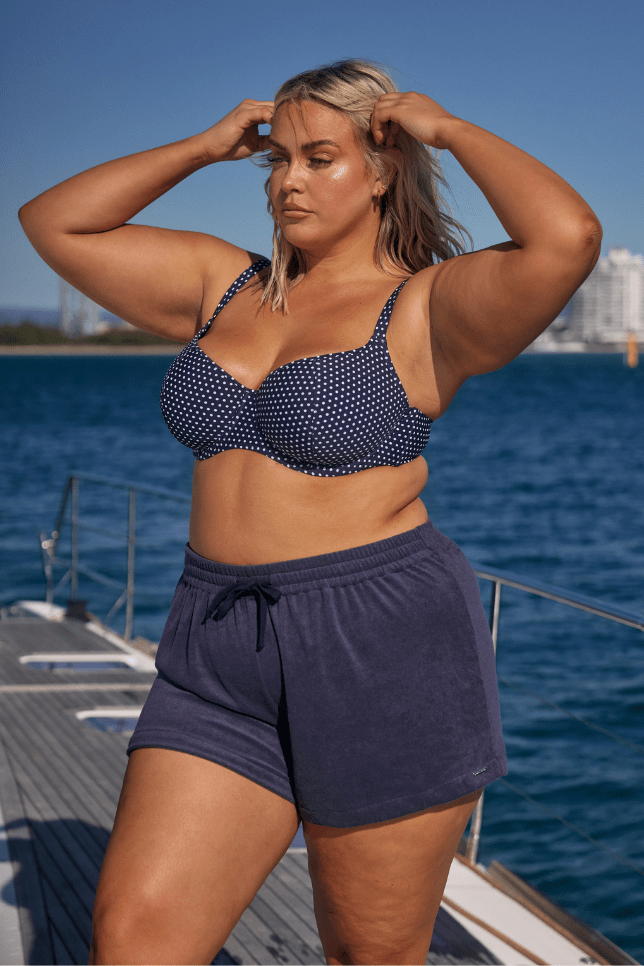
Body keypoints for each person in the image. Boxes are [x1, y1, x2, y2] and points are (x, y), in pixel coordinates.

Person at [19, 59, 601, 966]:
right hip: (215, 642)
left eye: (318, 157)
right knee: (136, 941)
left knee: (368, 954)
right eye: (277, 160)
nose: (288, 179)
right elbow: (51, 221)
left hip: (383, 649)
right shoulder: (223, 285)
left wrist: (444, 129)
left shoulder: (426, 308)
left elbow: (566, 237)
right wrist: (206, 146)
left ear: (382, 168)